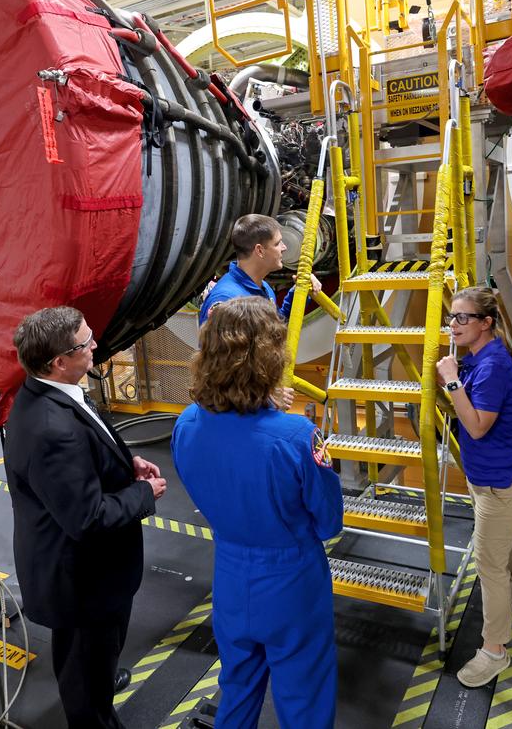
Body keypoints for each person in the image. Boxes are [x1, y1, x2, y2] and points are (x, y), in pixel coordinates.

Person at [172, 296, 342, 729]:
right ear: (270, 358)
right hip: (292, 580)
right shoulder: (296, 434)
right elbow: (328, 521)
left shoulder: (187, 424)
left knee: (238, 687)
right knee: (305, 696)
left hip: (229, 575)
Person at [5, 306, 166, 729]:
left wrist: (124, 462)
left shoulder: (54, 393)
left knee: (94, 662)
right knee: (85, 682)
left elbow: (84, 450)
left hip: (86, 575)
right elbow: (88, 518)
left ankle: (99, 686)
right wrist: (143, 493)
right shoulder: (50, 428)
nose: (95, 345)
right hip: (81, 583)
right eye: (86, 342)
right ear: (59, 361)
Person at [436, 286, 512, 688]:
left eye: (463, 317)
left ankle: (495, 651)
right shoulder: (477, 358)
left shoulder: (493, 365)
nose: (454, 324)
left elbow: (478, 426)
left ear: (486, 323)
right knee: (498, 538)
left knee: (488, 565)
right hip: (490, 478)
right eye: (452, 316)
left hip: (501, 482)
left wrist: (450, 382)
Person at [198, 214, 321, 325]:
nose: (284, 247)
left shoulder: (262, 287)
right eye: (277, 243)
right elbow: (215, 349)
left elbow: (273, 328)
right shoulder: (227, 300)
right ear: (260, 250)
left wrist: (300, 291)